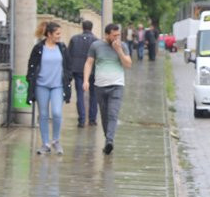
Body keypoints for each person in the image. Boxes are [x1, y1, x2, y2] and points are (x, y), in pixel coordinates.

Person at [83, 23, 132, 155]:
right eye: (114, 35)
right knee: (104, 115)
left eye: (118, 35)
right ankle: (108, 139)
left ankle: (109, 140)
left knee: (113, 114)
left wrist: (119, 51)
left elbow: (128, 64)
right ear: (107, 35)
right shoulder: (96, 46)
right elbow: (89, 63)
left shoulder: (123, 46)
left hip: (117, 85)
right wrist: (86, 80)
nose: (117, 38)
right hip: (100, 86)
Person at [26, 21, 72, 155]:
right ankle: (45, 143)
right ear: (49, 34)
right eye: (57, 33)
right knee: (44, 115)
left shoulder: (62, 48)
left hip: (58, 86)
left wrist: (68, 78)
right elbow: (31, 65)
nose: (60, 36)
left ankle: (56, 141)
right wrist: (30, 80)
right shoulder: (38, 48)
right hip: (41, 86)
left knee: (57, 113)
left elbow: (68, 66)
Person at [67, 19, 98, 127]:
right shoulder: (96, 41)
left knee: (80, 94)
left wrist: (69, 70)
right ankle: (92, 119)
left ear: (82, 27)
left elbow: (68, 55)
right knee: (93, 95)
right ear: (91, 28)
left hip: (78, 70)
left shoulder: (74, 39)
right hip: (93, 71)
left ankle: (81, 120)